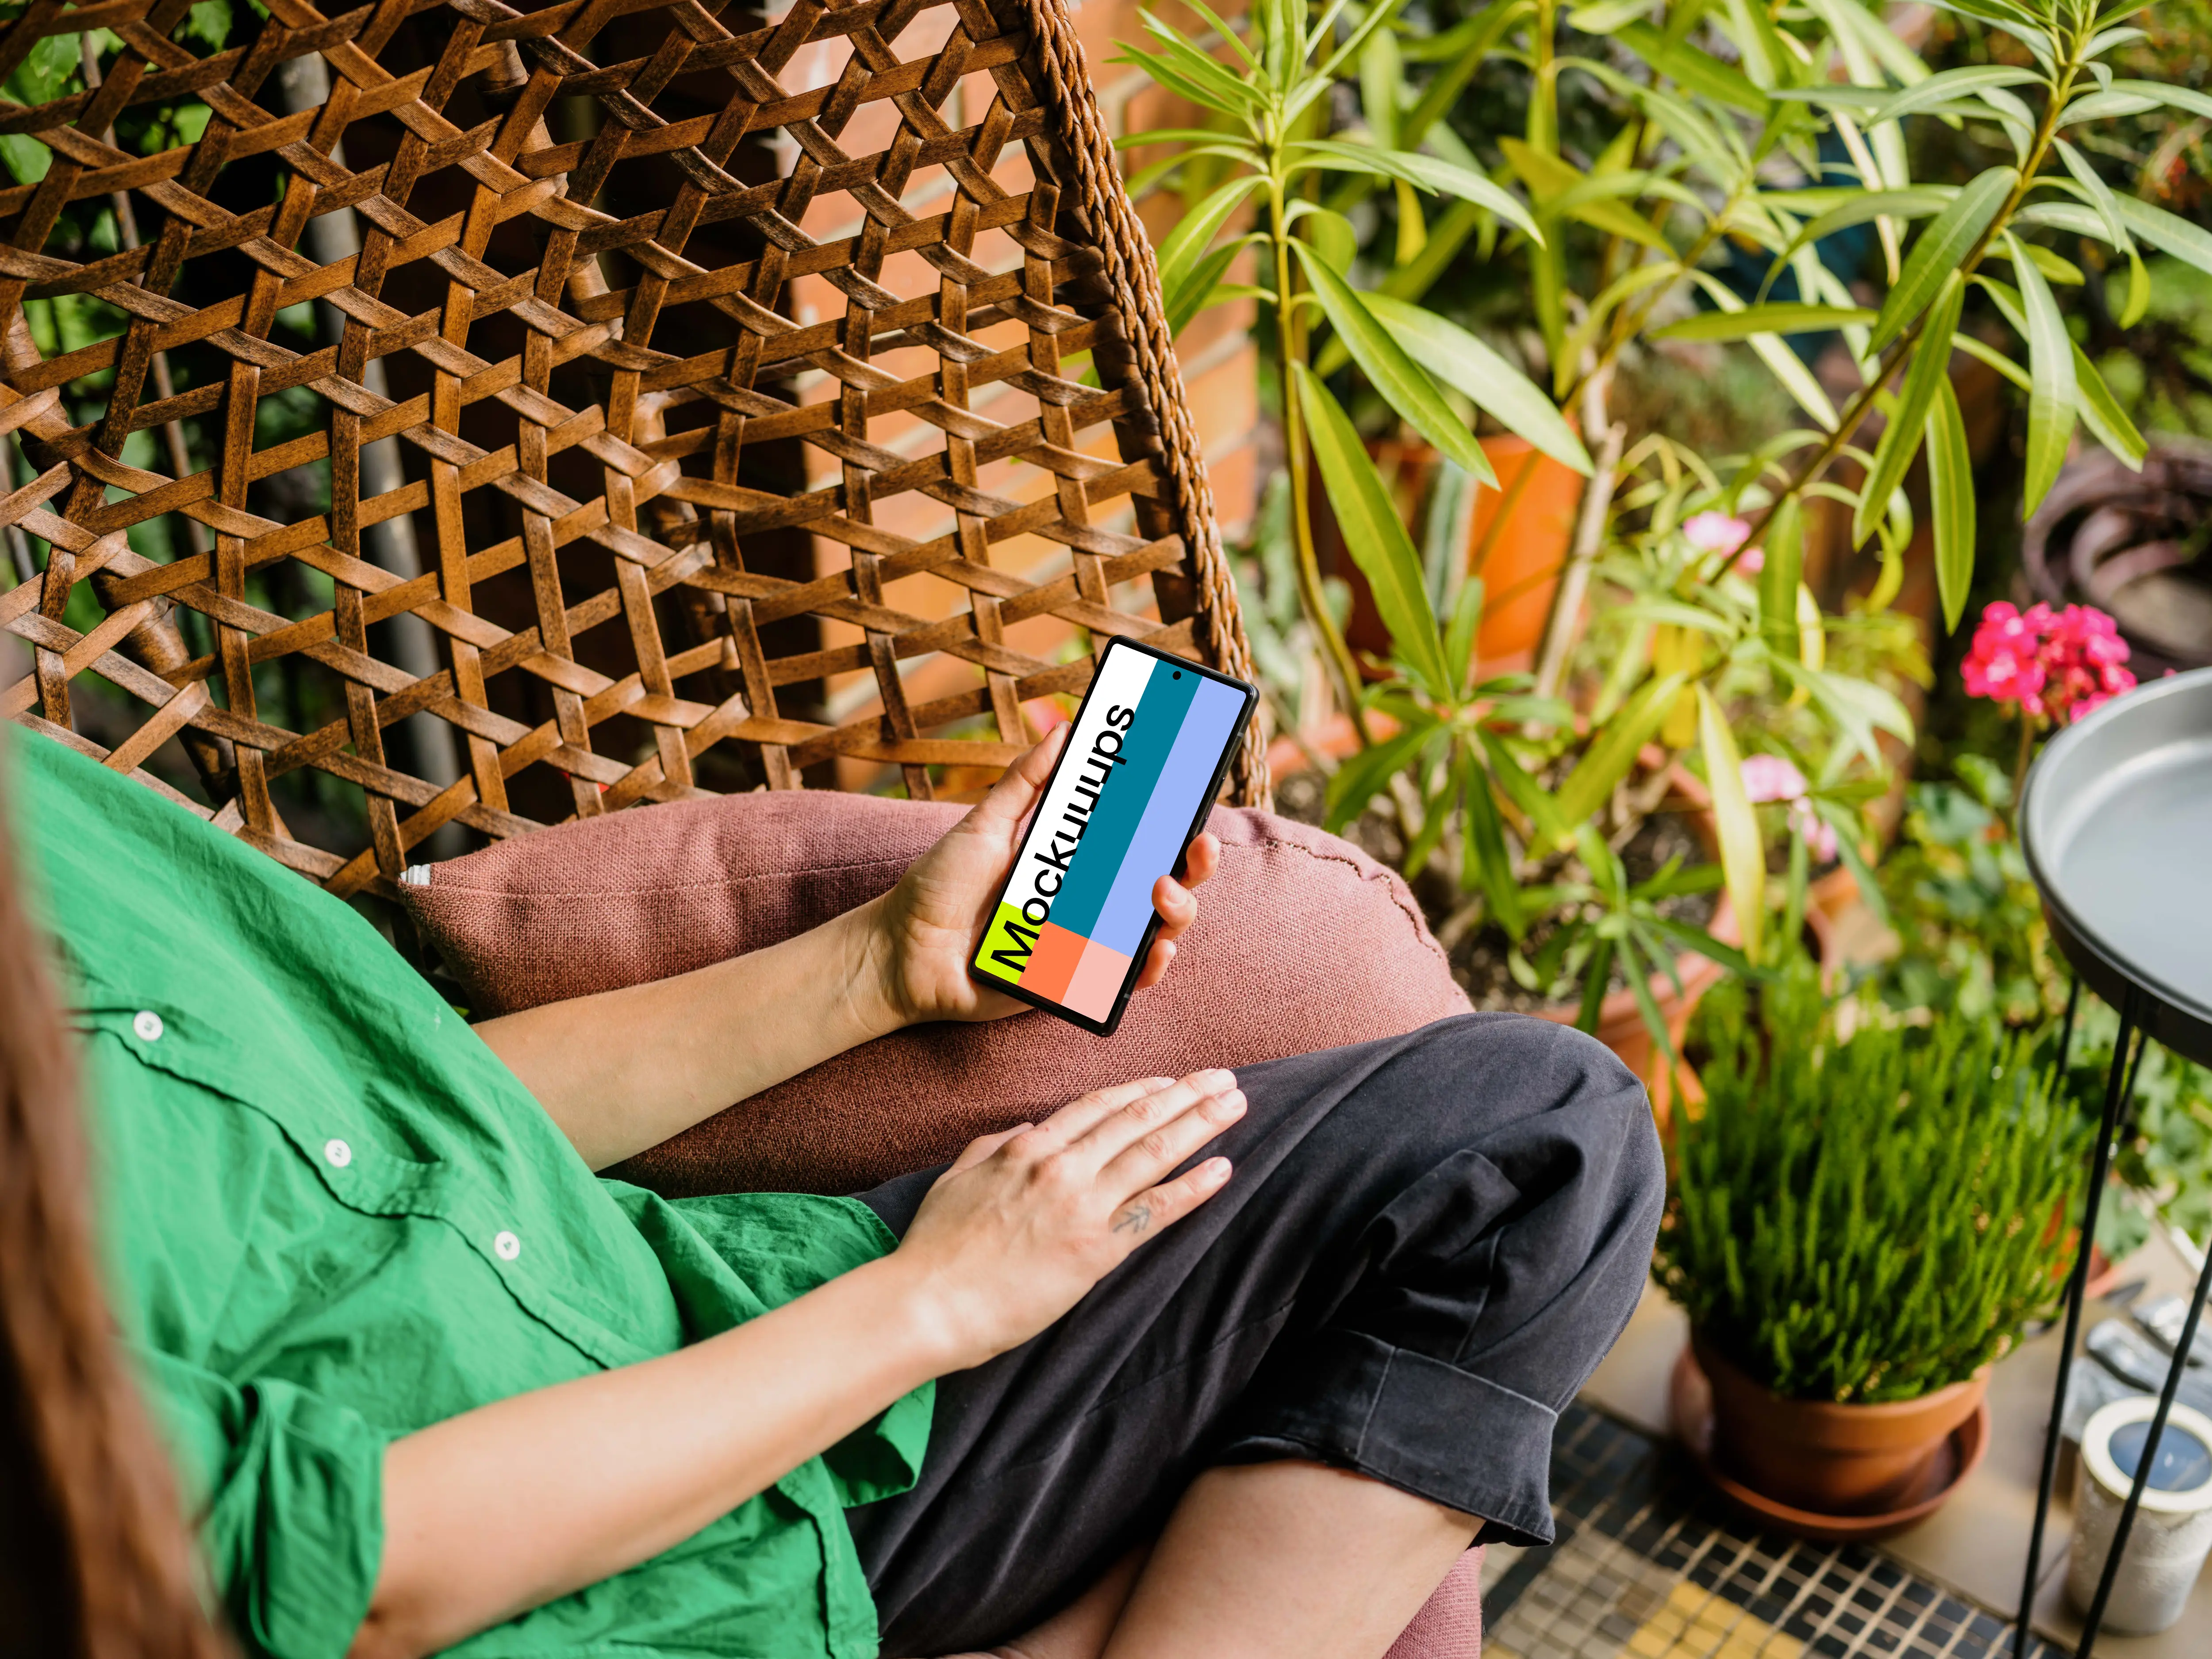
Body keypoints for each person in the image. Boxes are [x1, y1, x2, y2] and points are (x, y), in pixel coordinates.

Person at [11, 719, 1661, 1659]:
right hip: (648, 1587)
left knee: (1536, 1144)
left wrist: (881, 965)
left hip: (713, 1323)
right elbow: (340, 1571)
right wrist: (922, 1307)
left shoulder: (38, 809)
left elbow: (379, 1116)